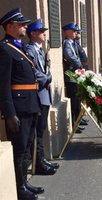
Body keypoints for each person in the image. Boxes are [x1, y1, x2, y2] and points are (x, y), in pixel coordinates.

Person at [0, 8, 41, 200]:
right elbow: (3, 84)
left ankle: (24, 183)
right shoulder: (5, 49)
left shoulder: (20, 46)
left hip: (30, 105)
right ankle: (19, 189)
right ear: (10, 27)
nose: (25, 26)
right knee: (19, 148)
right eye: (21, 24)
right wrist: (9, 113)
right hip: (18, 108)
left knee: (26, 148)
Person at [26, 19, 59, 175]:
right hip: (38, 93)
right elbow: (33, 72)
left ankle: (40, 159)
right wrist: (47, 78)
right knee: (38, 130)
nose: (44, 33)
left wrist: (47, 77)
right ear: (33, 34)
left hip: (44, 94)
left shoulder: (40, 49)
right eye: (41, 31)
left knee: (41, 129)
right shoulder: (30, 50)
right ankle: (37, 163)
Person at [62, 22, 85, 133]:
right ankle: (74, 124)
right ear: (67, 32)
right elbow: (69, 56)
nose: (76, 33)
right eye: (74, 31)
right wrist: (79, 64)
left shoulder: (72, 43)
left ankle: (77, 122)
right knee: (74, 101)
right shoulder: (67, 43)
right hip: (70, 76)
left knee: (77, 100)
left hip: (75, 75)